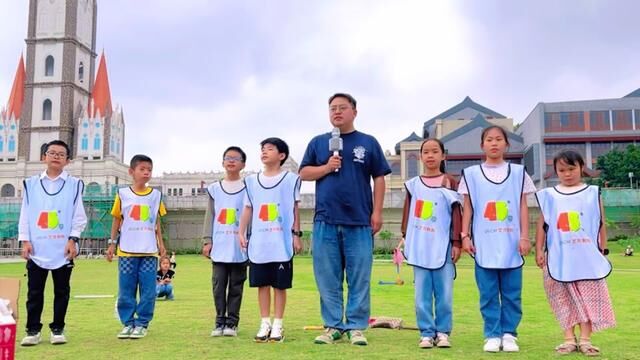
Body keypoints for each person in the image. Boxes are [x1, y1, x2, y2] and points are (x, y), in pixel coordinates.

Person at [299, 93, 391, 346]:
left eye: (342, 108)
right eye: (332, 108)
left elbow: (380, 177)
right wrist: (327, 167)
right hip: (325, 220)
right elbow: (304, 173)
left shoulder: (368, 142)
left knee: (359, 276)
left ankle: (356, 326)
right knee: (328, 277)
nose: (337, 112)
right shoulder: (318, 143)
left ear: (354, 111)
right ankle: (332, 326)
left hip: (360, 220)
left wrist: (377, 212)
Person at [458, 126, 536, 352]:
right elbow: (468, 208)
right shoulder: (471, 174)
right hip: (484, 243)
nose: (494, 143)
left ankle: (509, 333)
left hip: (512, 243)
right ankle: (492, 334)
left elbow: (522, 205)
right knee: (488, 292)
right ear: (482, 145)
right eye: (489, 140)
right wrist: (465, 236)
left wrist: (524, 236)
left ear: (506, 144)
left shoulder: (519, 173)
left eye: (499, 139)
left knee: (512, 292)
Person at [535, 150, 615, 356]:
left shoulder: (592, 193)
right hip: (558, 257)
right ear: (556, 172)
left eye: (571, 169)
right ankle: (569, 339)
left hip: (587, 257)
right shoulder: (549, 195)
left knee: (589, 297)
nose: (567, 174)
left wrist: (603, 250)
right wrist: (539, 250)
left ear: (581, 168)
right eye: (562, 170)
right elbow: (542, 224)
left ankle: (586, 340)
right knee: (562, 298)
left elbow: (600, 222)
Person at [19, 140, 87, 346]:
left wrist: (73, 239)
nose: (56, 156)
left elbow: (79, 216)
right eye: (52, 153)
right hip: (37, 248)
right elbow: (25, 214)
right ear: (44, 157)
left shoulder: (75, 185)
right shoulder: (30, 184)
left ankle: (57, 328)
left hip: (62, 249)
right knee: (34, 292)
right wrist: (25, 240)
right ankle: (32, 330)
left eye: (61, 154)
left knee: (61, 291)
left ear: (67, 161)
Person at [396, 138, 462, 349]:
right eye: (426, 152)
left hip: (442, 247)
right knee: (421, 294)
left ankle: (442, 332)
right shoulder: (413, 184)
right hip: (420, 247)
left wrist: (456, 242)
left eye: (435, 151)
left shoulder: (449, 181)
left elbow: (456, 213)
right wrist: (405, 236)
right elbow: (407, 214)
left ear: (443, 155)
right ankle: (426, 332)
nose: (431, 155)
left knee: (444, 293)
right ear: (421, 156)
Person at [238, 138, 302, 342]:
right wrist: (241, 232)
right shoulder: (251, 181)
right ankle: (264, 322)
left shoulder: (291, 179)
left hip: (281, 243)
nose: (264, 152)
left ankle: (278, 324)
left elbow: (294, 207)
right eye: (262, 149)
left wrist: (296, 235)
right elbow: (248, 208)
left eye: (270, 149)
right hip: (259, 243)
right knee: (262, 285)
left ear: (281, 155)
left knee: (280, 286)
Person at [106, 154, 167, 339]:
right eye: (142, 169)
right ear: (132, 172)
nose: (146, 173)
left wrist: (162, 245)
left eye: (149, 169)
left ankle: (142, 323)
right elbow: (117, 220)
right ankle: (128, 323)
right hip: (126, 251)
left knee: (148, 291)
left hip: (149, 252)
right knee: (126, 290)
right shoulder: (123, 194)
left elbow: (157, 221)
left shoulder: (156, 195)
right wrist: (112, 243)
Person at [202, 146, 249, 337]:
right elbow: (210, 216)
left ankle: (232, 323)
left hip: (240, 245)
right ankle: (219, 321)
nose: (231, 161)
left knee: (237, 285)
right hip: (220, 244)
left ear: (243, 164)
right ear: (222, 162)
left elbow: (251, 214)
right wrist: (207, 240)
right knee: (218, 284)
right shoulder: (214, 189)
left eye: (236, 158)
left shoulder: (249, 187)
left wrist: (250, 239)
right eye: (227, 158)